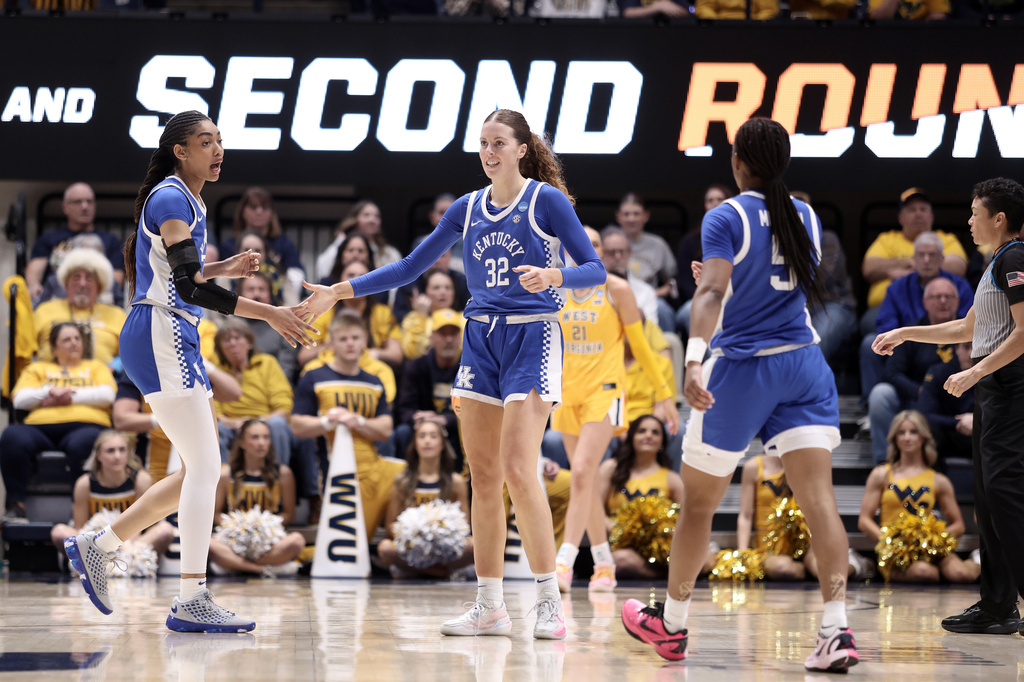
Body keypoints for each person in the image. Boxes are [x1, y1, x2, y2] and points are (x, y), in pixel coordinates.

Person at [301, 108, 606, 640]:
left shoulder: (545, 201)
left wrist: (554, 274)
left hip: (533, 333)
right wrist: (338, 292)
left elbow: (595, 270)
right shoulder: (467, 208)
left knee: (518, 467)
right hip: (481, 338)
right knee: (482, 476)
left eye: (498, 143)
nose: (488, 153)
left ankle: (548, 599)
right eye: (482, 144)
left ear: (521, 149)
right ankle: (489, 604)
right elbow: (408, 268)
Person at [63, 110, 317, 633]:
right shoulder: (174, 196)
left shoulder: (188, 199)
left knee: (195, 471)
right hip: (162, 330)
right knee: (206, 469)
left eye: (220, 142)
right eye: (206, 142)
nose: (217, 151)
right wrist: (270, 311)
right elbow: (188, 289)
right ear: (180, 150)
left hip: (164, 332)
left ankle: (100, 544)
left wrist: (225, 268)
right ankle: (191, 596)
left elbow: (187, 272)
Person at [620, 118, 858, 672]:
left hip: (744, 368)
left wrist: (695, 359)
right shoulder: (806, 214)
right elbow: (776, 282)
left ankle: (672, 627)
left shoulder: (724, 215)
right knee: (819, 501)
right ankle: (836, 630)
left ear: (737, 160)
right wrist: (723, 281)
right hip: (803, 364)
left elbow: (711, 292)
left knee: (699, 505)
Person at [873, 177, 1024, 635]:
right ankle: (997, 606)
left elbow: (1023, 333)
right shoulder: (996, 262)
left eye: (975, 214)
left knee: (1005, 495)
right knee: (987, 498)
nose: (970, 222)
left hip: (1012, 389)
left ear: (999, 219)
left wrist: (975, 373)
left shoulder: (1015, 257)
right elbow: (965, 330)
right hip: (993, 393)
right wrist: (905, 333)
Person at [552, 225, 678, 592]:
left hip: (605, 392)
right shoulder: (553, 288)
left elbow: (641, 346)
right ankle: (604, 564)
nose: (587, 247)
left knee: (579, 474)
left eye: (595, 244)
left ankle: (565, 560)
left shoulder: (617, 290)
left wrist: (665, 394)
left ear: (603, 252)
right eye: (581, 242)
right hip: (567, 393)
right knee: (585, 480)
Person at [291, 310, 404, 540]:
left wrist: (358, 421)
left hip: (371, 468)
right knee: (345, 539)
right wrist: (328, 421)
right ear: (331, 343)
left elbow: (385, 429)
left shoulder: (375, 381)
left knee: (402, 476)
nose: (350, 344)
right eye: (343, 339)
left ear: (365, 340)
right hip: (331, 469)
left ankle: (396, 546)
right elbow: (297, 425)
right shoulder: (313, 376)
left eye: (355, 338)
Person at [1, 322, 117, 521]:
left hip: (85, 426)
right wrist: (48, 391)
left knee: (87, 441)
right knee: (12, 436)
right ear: (54, 348)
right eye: (66, 339)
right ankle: (16, 505)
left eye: (77, 338)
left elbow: (107, 395)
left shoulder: (96, 367)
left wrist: (69, 397)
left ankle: (79, 511)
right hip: (39, 428)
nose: (74, 343)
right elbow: (20, 399)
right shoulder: (38, 368)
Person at [857, 410, 979, 583]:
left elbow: (958, 525)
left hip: (931, 549)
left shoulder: (938, 480)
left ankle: (978, 561)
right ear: (894, 438)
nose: (907, 437)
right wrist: (890, 542)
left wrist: (933, 541)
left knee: (960, 574)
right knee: (923, 573)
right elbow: (864, 520)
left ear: (923, 437)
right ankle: (865, 564)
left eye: (913, 432)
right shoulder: (881, 474)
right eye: (901, 432)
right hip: (896, 553)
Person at [867, 276, 960, 464]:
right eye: (937, 297)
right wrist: (921, 391)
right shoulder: (910, 332)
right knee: (880, 394)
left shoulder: (970, 331)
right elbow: (891, 373)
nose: (943, 301)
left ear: (958, 302)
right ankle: (885, 464)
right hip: (918, 398)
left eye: (948, 297)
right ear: (925, 303)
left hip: (960, 399)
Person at [51, 430, 174, 556]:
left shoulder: (141, 480)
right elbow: (81, 529)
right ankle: (95, 562)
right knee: (59, 532)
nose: (117, 456)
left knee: (165, 530)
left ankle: (130, 562)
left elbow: (138, 526)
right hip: (95, 543)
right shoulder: (84, 484)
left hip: (133, 542)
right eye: (110, 451)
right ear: (98, 455)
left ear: (128, 453)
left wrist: (123, 548)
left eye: (122, 450)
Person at [208, 420, 307, 576]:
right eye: (255, 437)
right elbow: (215, 514)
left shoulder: (283, 473)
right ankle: (262, 569)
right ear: (241, 442)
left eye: (266, 437)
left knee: (297, 541)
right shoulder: (226, 474)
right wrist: (239, 527)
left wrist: (264, 527)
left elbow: (289, 514)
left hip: (269, 540)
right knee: (209, 544)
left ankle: (235, 565)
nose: (261, 443)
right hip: (235, 539)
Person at [861, 187, 968, 333]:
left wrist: (909, 271)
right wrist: (920, 266)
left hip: (940, 308)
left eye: (923, 209)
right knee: (870, 329)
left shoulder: (946, 239)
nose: (918, 213)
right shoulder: (886, 239)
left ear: (931, 216)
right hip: (891, 307)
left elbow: (957, 267)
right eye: (912, 209)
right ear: (901, 217)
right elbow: (869, 268)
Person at [378, 420, 474, 578]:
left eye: (433, 436)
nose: (427, 441)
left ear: (442, 444)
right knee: (385, 548)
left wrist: (440, 532)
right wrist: (415, 531)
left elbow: (465, 526)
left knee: (475, 546)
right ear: (415, 444)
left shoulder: (456, 482)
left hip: (446, 549)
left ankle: (419, 571)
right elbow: (390, 527)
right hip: (413, 547)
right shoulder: (401, 481)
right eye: (422, 436)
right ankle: (441, 573)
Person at [597, 415, 687, 580]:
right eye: (642, 431)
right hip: (624, 546)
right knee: (619, 560)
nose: (648, 436)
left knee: (703, 558)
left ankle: (663, 571)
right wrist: (615, 528)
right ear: (631, 437)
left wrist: (668, 534)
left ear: (662, 441)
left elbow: (685, 518)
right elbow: (594, 507)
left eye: (655, 432)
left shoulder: (672, 478)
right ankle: (665, 576)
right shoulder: (611, 468)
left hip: (660, 549)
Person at [24, 182, 125, 303]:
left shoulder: (110, 241)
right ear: (65, 207)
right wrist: (34, 286)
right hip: (57, 301)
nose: (84, 206)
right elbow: (34, 271)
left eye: (89, 201)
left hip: (99, 302)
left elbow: (116, 280)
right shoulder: (50, 239)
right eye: (78, 202)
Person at [392, 308, 465, 469]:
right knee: (403, 432)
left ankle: (465, 485)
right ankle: (407, 479)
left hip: (455, 426)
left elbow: (474, 411)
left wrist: (445, 420)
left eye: (453, 334)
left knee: (469, 432)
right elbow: (404, 409)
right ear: (431, 338)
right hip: (422, 427)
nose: (448, 339)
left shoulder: (468, 368)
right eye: (442, 334)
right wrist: (421, 418)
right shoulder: (416, 367)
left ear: (460, 338)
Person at [301, 260, 404, 369]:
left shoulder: (383, 313)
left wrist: (375, 354)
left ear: (373, 282)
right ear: (340, 281)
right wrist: (328, 347)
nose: (357, 280)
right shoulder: (322, 313)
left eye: (363, 276)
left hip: (371, 371)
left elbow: (397, 355)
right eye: (351, 275)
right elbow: (303, 356)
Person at [34, 248, 126, 366]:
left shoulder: (117, 315)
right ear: (66, 284)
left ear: (99, 286)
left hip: (103, 380)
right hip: (48, 380)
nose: (82, 284)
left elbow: (133, 355)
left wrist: (117, 367)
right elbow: (26, 351)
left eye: (89, 279)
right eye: (76, 278)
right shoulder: (44, 310)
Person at [221, 187, 304, 305]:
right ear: (242, 211)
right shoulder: (228, 246)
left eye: (265, 207)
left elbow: (296, 276)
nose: (259, 211)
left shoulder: (284, 244)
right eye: (253, 207)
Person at [614, 193, 677, 333]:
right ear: (618, 216)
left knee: (663, 309)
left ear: (646, 216)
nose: (631, 218)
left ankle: (663, 351)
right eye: (626, 214)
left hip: (652, 296)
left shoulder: (658, 244)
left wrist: (659, 292)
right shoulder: (609, 242)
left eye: (636, 214)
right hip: (615, 296)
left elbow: (672, 279)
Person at [675, 184, 732, 338]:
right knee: (692, 311)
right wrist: (708, 300)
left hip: (732, 300)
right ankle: (707, 361)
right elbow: (685, 283)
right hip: (697, 299)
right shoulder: (690, 241)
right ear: (704, 206)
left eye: (720, 199)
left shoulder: (741, 236)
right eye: (710, 200)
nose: (715, 203)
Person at [916, 341, 975, 465]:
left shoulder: (995, 375)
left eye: (976, 347)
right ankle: (930, 482)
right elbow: (924, 415)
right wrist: (959, 422)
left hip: (983, 434)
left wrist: (979, 421)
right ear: (957, 348)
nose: (971, 353)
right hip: (950, 434)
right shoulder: (938, 372)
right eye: (966, 347)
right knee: (928, 434)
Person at [237, 272, 299, 383]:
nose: (257, 294)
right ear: (240, 296)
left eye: (262, 289)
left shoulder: (284, 326)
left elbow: (287, 368)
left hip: (275, 388)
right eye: (250, 289)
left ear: (270, 296)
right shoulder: (231, 327)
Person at [400, 271, 463, 361]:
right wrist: (420, 317)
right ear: (426, 293)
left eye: (448, 288)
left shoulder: (464, 318)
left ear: (454, 293)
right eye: (436, 288)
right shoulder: (413, 318)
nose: (443, 292)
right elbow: (412, 353)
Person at [601, 227, 659, 324]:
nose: (618, 257)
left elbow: (650, 330)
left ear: (629, 253)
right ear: (601, 254)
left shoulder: (646, 291)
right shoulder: (588, 289)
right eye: (611, 252)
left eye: (622, 252)